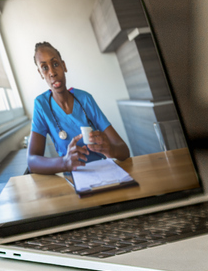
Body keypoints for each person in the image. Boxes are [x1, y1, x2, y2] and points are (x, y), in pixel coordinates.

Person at [22, 41, 131, 176]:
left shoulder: (85, 99)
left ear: (64, 66)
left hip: (104, 172)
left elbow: (124, 151)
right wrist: (64, 163)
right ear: (40, 73)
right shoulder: (41, 105)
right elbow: (32, 162)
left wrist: (111, 149)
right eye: (45, 68)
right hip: (74, 178)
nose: (52, 73)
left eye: (55, 64)